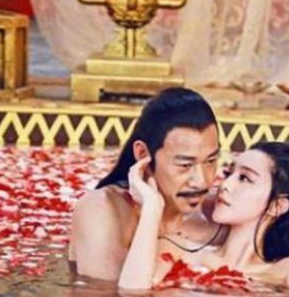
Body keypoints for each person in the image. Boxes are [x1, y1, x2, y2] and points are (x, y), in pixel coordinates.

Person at [118, 141, 289, 296]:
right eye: (228, 174)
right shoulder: (176, 250)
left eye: (244, 178)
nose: (225, 185)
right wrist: (151, 207)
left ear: (277, 206)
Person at [70, 88, 222, 281]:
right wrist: (151, 210)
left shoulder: (215, 216)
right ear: (143, 154)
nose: (201, 181)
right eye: (185, 165)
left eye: (210, 161)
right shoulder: (100, 209)